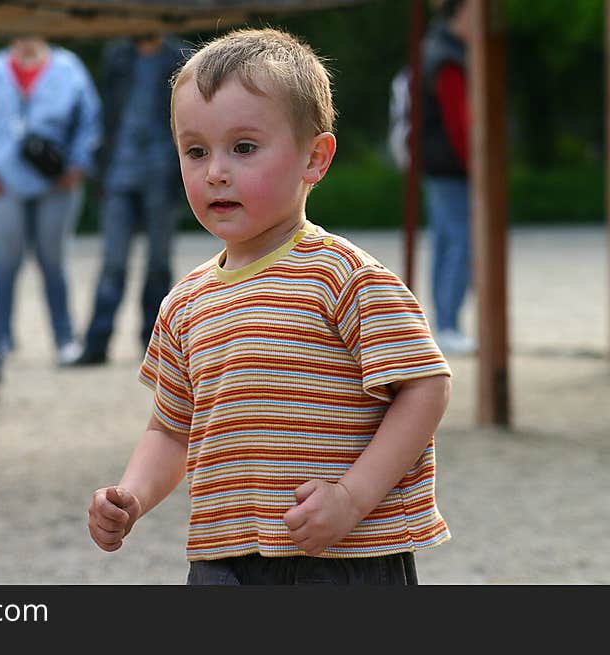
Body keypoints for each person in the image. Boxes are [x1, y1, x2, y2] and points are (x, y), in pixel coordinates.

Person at [87, 28, 453, 585]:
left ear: (315, 158)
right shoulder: (185, 303)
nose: (216, 171)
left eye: (244, 147)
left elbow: (425, 386)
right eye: (195, 150)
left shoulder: (344, 276)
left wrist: (351, 498)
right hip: (222, 557)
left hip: (344, 556)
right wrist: (131, 495)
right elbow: (170, 429)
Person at [0, 35, 102, 365]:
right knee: (6, 259)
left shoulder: (69, 68)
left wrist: (78, 165)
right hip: (1, 180)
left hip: (56, 180)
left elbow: (89, 123)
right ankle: (1, 338)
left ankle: (64, 339)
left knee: (54, 260)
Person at [71, 34, 187, 365]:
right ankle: (96, 343)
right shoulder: (118, 56)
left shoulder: (181, 56)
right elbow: (107, 115)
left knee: (158, 263)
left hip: (163, 172)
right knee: (113, 262)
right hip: (119, 170)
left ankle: (155, 346)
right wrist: (100, 169)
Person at [421, 0, 475, 355]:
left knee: (444, 243)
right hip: (453, 165)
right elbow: (460, 123)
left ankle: (443, 322)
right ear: (458, 12)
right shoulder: (448, 57)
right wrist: (478, 164)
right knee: (462, 243)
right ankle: (449, 324)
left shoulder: (432, 48)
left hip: (436, 164)